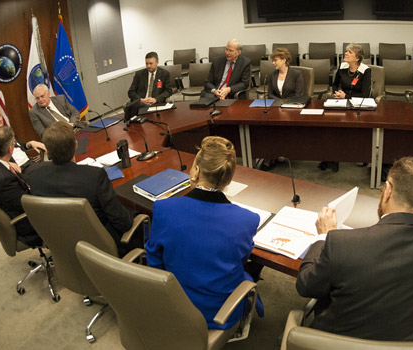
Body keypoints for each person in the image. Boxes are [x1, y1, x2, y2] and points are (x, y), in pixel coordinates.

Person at [296, 156, 413, 341]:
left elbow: (305, 285)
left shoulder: (340, 243)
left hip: (339, 341)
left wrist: (323, 236)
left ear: (387, 190)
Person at [146, 136, 263, 330]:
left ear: (197, 171)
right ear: (228, 178)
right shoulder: (248, 220)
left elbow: (155, 261)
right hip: (219, 313)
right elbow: (239, 262)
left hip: (172, 304)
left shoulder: (164, 208)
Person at [29, 121, 136, 256]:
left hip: (63, 245)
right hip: (102, 248)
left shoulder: (35, 178)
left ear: (48, 153)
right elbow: (123, 223)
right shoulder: (94, 176)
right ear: (76, 146)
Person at [0, 126, 42, 246]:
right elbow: (27, 203)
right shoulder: (3, 179)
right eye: (14, 144)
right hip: (28, 222)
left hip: (20, 203)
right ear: (10, 149)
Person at [319, 44, 372, 173]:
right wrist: (337, 93)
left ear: (357, 58)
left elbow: (365, 94)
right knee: (331, 126)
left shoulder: (365, 70)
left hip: (357, 105)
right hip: (341, 102)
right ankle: (331, 159)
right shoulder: (342, 67)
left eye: (350, 52)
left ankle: (359, 155)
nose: (346, 53)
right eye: (346, 51)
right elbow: (335, 84)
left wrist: (346, 96)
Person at [0, 105, 46, 174]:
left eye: (0, 115)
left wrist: (29, 144)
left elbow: (17, 146)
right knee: (51, 168)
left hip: (30, 162)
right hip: (19, 171)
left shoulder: (7, 130)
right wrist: (7, 164)